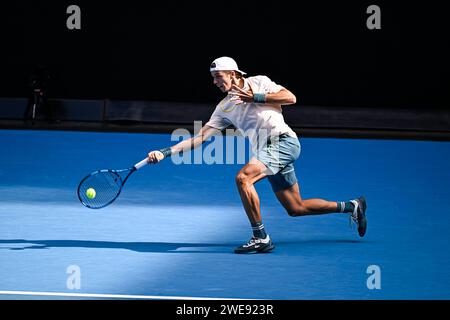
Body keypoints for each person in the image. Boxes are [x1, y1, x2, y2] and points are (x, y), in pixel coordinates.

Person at [147, 56, 367, 254]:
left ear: (232, 74)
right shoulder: (224, 107)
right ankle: (351, 206)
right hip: (267, 151)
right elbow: (200, 137)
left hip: (284, 142)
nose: (215, 82)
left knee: (243, 178)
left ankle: (260, 237)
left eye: (218, 76)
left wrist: (256, 97)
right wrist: (165, 152)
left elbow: (290, 98)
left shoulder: (259, 81)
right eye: (213, 78)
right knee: (296, 208)